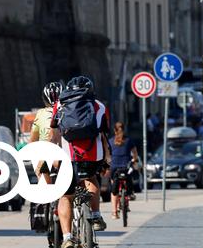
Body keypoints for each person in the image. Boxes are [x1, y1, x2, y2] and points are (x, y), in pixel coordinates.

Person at [50, 76, 111, 247]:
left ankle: (68, 237)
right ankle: (96, 215)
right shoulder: (100, 106)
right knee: (91, 179)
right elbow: (104, 135)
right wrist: (107, 158)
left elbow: (53, 133)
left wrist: (52, 154)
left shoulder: (60, 104)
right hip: (93, 155)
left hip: (68, 156)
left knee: (66, 197)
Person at [31, 81, 64, 183]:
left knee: (44, 188)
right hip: (65, 153)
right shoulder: (68, 110)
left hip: (46, 153)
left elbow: (33, 141)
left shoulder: (40, 113)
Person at [108, 122, 139, 220]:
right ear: (124, 129)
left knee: (114, 190)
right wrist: (135, 160)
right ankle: (129, 196)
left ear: (114, 130)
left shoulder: (110, 141)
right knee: (129, 179)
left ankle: (114, 212)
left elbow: (108, 155)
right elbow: (135, 153)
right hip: (126, 168)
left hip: (114, 168)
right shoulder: (129, 141)